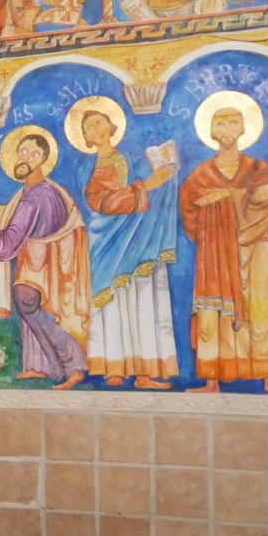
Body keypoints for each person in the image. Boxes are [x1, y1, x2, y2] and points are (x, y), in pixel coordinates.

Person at [180, 96, 268, 393]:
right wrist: (213, 218)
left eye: (233, 123)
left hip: (258, 247)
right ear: (211, 131)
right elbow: (188, 205)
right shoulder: (201, 174)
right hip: (216, 253)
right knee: (215, 313)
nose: (227, 129)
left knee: (264, 307)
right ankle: (212, 379)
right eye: (220, 124)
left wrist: (227, 197)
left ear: (243, 128)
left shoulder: (261, 170)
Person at [0, 129, 91, 389]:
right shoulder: (34, 190)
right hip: (37, 261)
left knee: (29, 301)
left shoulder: (37, 196)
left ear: (44, 159)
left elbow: (11, 237)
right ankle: (43, 365)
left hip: (46, 263)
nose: (26, 157)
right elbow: (8, 217)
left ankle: (73, 364)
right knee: (30, 304)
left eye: (34, 154)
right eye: (23, 151)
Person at [69, 99, 179, 389]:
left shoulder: (135, 160)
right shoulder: (86, 168)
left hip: (140, 238)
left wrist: (168, 174)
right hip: (105, 241)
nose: (96, 128)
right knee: (111, 303)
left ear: (111, 125)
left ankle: (144, 372)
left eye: (99, 122)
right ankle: (112, 366)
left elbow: (157, 194)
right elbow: (99, 202)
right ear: (85, 137)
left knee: (142, 302)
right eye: (89, 127)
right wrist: (150, 184)